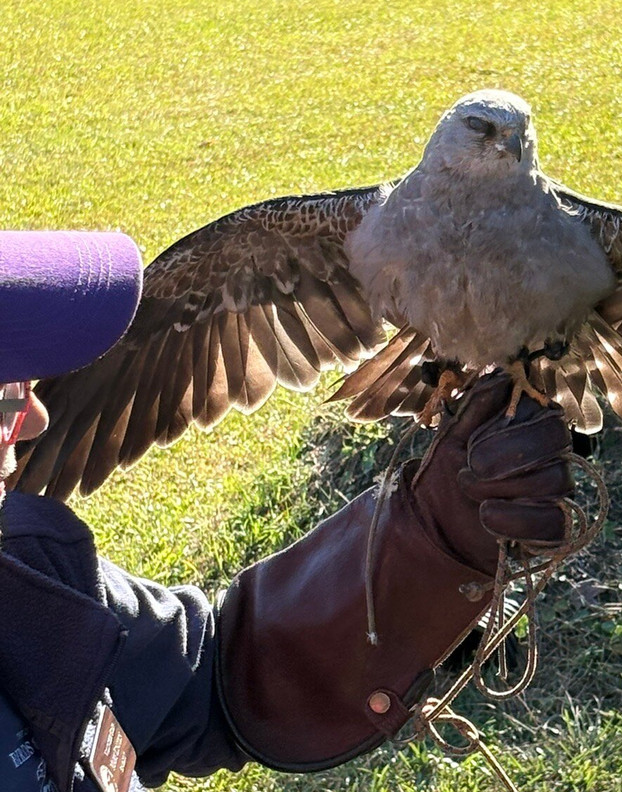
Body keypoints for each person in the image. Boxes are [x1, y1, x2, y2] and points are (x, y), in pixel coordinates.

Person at [0, 231, 577, 792]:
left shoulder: (31, 579)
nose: (36, 420)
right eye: (4, 394)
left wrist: (429, 542)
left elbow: (212, 683)